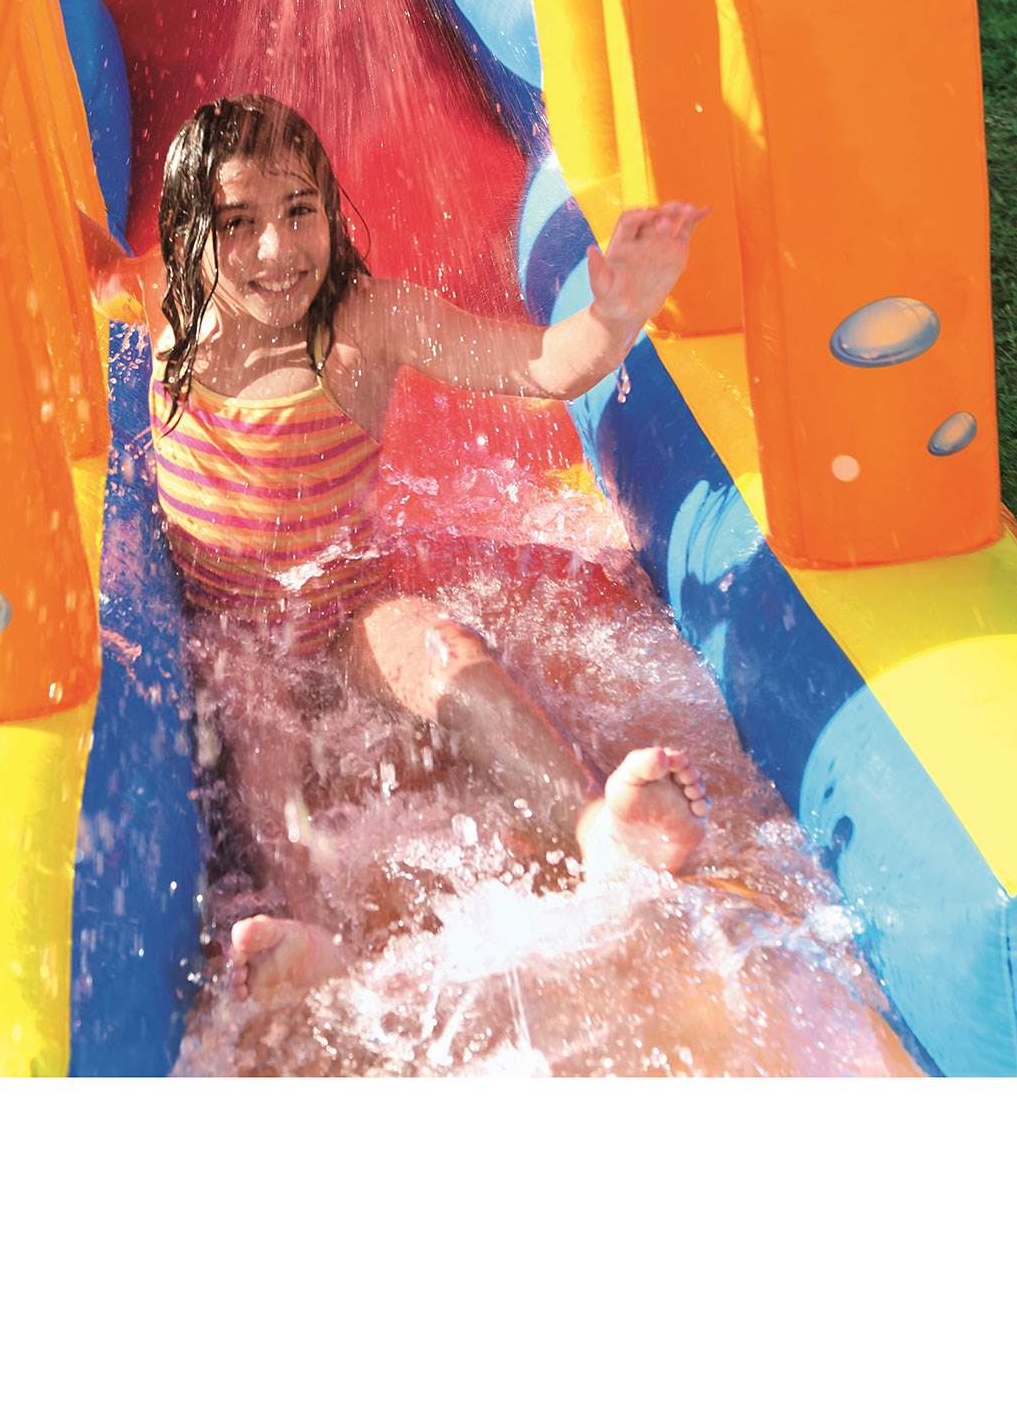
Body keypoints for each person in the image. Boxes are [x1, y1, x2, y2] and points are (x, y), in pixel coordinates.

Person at [82, 93, 714, 1002]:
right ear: (184, 241)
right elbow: (87, 265)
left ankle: (592, 828)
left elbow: (541, 365)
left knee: (448, 652)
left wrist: (614, 316)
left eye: (300, 210)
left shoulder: (369, 322)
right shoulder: (163, 303)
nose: (277, 248)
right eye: (237, 223)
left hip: (351, 613)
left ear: (332, 213)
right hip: (234, 627)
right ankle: (314, 931)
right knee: (258, 734)